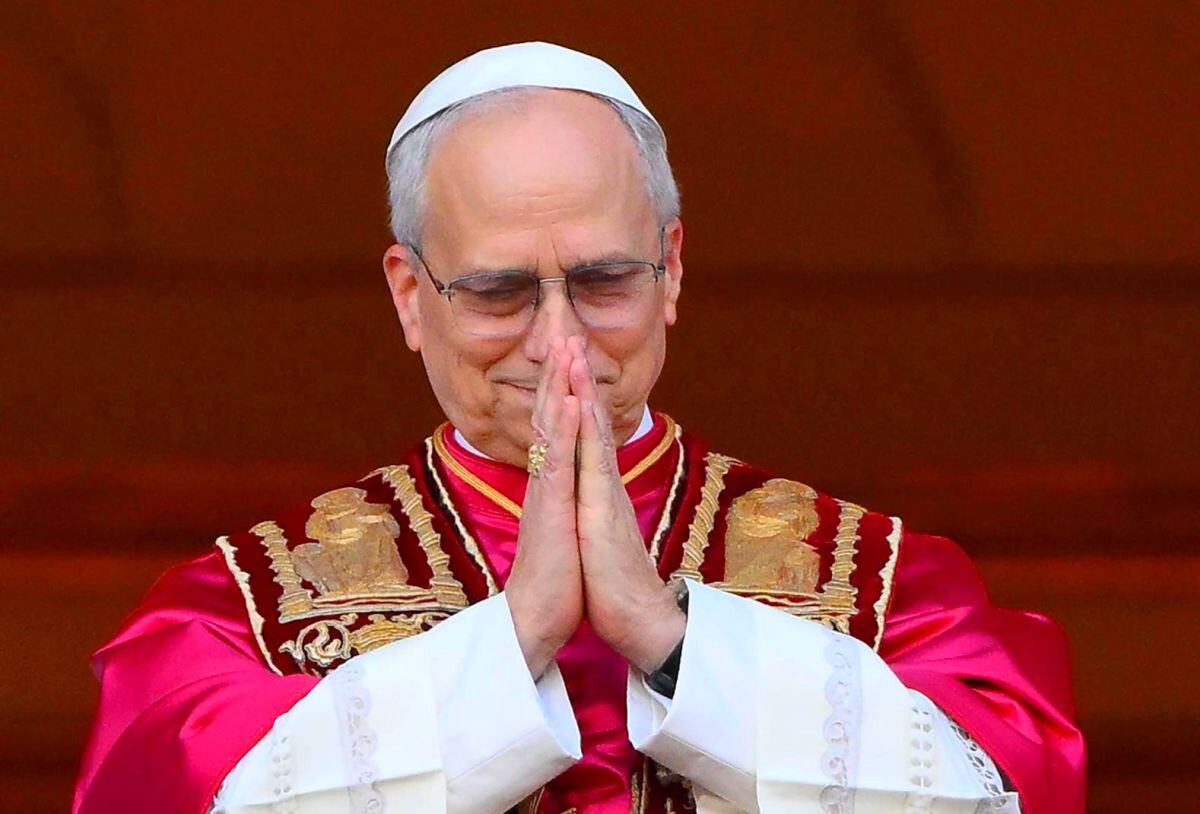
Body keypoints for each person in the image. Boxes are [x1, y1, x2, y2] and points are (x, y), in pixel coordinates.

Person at [72, 42, 1085, 814]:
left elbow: (1006, 785)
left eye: (602, 281)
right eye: (500, 292)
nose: (559, 342)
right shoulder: (234, 611)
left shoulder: (889, 586)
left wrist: (673, 640)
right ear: (410, 296)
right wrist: (511, 643)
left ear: (672, 268)